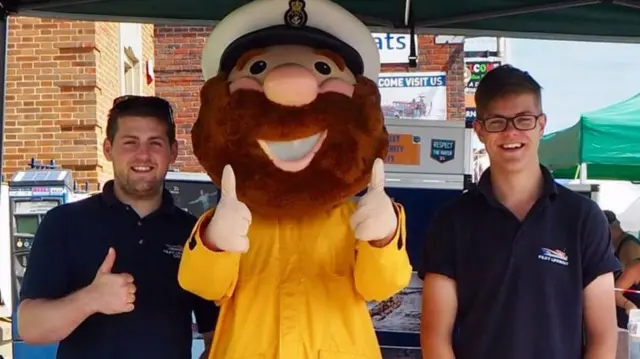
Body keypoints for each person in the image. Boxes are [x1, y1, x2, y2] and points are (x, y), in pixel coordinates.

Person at [419, 65, 620, 359]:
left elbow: (603, 335)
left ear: (541, 125)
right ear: (480, 131)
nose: (511, 132)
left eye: (523, 119)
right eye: (497, 121)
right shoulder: (452, 221)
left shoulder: (582, 217)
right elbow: (435, 336)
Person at [16, 95, 218, 359]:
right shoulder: (64, 223)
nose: (143, 154)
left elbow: (216, 334)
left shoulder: (194, 235)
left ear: (173, 151)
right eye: (130, 142)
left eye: (155, 143)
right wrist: (91, 299)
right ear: (108, 149)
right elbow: (30, 328)